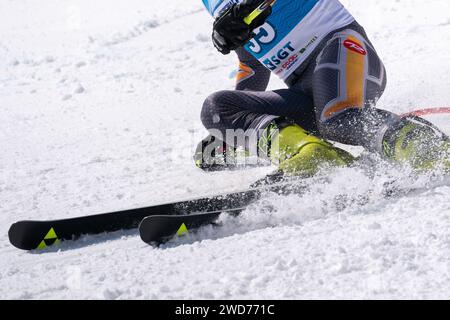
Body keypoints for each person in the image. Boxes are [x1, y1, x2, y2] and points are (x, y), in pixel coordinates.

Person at [195, 0, 449, 176]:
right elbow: (252, 64)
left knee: (336, 119)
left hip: (344, 48)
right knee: (216, 109)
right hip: (306, 91)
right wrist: (236, 127)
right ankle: (317, 158)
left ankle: (426, 146)